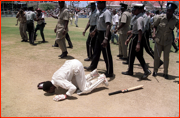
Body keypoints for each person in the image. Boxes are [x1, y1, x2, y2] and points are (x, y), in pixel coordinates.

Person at [37, 59, 108, 101]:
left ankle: (101, 79)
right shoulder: (54, 78)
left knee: (84, 90)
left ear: (51, 87)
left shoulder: (58, 81)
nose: (50, 92)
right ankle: (93, 74)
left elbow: (72, 88)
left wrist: (66, 95)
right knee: (77, 85)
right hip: (72, 64)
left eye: (48, 91)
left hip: (76, 67)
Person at [84, 1, 114, 77]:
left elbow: (108, 25)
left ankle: (110, 71)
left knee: (106, 54)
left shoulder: (106, 12)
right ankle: (93, 66)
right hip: (99, 33)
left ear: (102, 4)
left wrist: (106, 38)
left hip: (104, 34)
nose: (97, 5)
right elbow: (99, 24)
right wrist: (94, 31)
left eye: (98, 3)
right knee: (96, 52)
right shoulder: (100, 12)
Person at [122, 4, 151, 79]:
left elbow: (140, 31)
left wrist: (138, 43)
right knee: (139, 55)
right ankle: (146, 70)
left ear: (139, 10)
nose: (133, 11)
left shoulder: (139, 19)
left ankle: (130, 71)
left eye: (135, 10)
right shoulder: (138, 17)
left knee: (131, 55)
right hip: (136, 37)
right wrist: (129, 38)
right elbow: (136, 31)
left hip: (137, 39)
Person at [152, 2, 179, 79]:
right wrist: (154, 33)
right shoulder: (160, 17)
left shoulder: (175, 20)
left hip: (168, 41)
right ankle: (155, 70)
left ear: (173, 11)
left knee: (166, 57)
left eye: (170, 11)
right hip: (158, 40)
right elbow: (154, 26)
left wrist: (178, 36)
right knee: (157, 57)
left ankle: (165, 72)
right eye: (167, 10)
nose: (168, 12)